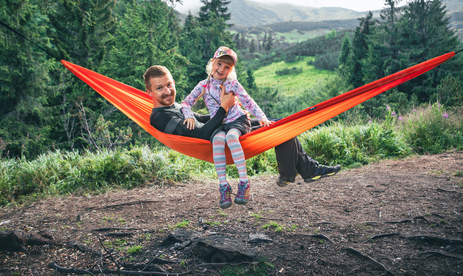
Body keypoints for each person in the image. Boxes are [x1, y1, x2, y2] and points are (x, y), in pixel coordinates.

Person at [143, 61, 341, 207]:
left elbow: (202, 119)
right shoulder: (160, 118)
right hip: (215, 142)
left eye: (169, 84)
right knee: (279, 130)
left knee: (278, 126)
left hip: (226, 128)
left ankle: (302, 171)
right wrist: (223, 108)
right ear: (149, 92)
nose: (167, 91)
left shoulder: (175, 106)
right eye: (159, 88)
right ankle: (298, 172)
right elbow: (203, 134)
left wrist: (237, 115)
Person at [180, 47, 270, 209]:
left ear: (231, 70)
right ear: (212, 63)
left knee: (231, 137)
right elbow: (186, 102)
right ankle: (224, 186)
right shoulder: (203, 85)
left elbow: (248, 101)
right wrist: (188, 115)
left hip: (237, 120)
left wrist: (261, 116)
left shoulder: (232, 83)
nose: (222, 69)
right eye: (219, 64)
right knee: (218, 141)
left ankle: (244, 181)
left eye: (227, 67)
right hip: (219, 123)